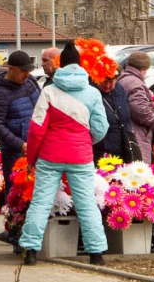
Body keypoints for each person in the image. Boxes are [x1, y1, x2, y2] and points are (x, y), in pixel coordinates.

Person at [19, 41, 109, 266]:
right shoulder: (93, 93)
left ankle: (30, 250)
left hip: (50, 156)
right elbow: (101, 127)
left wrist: (32, 158)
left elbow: (36, 129)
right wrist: (85, 142)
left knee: (41, 202)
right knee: (86, 203)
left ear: (61, 65)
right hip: (81, 156)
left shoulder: (49, 91)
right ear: (80, 66)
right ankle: (96, 253)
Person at [0, 50, 40, 243]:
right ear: (11, 69)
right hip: (15, 150)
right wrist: (20, 144)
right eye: (23, 71)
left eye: (29, 71)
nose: (27, 75)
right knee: (15, 192)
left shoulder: (31, 82)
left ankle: (28, 229)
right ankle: (13, 231)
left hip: (36, 145)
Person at [117, 51, 154, 164]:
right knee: (140, 169)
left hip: (125, 130)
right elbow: (140, 109)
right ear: (143, 69)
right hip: (137, 132)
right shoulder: (136, 83)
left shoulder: (122, 79)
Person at [93, 72, 136, 162]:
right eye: (104, 82)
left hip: (121, 144)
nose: (107, 85)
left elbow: (126, 115)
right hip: (100, 147)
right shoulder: (92, 92)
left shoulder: (119, 89)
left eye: (111, 82)